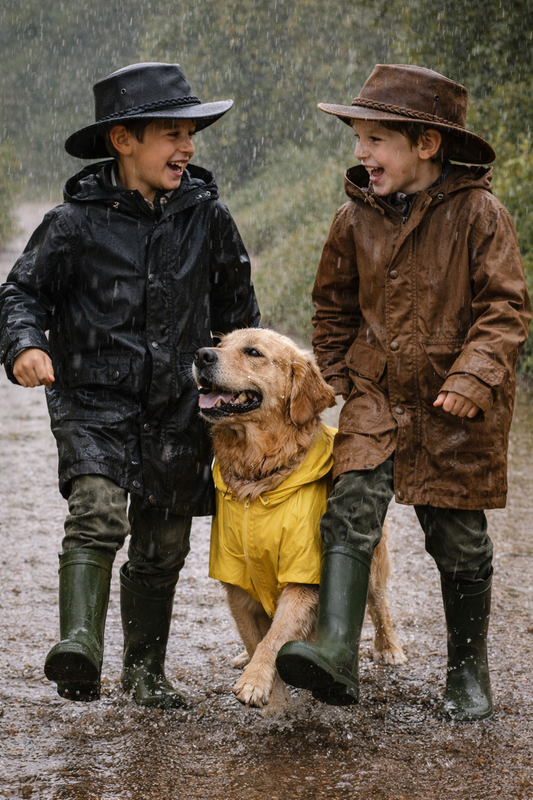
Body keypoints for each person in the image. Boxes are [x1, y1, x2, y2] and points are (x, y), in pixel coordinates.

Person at [0, 62, 260, 707]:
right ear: (123, 140)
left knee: (164, 541)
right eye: (172, 132)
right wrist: (24, 345)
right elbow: (21, 294)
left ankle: (145, 672)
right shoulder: (73, 223)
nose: (188, 146)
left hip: (181, 405)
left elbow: (238, 320)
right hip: (92, 399)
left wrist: (247, 396)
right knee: (95, 513)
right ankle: (79, 646)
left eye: (192, 133)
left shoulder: (209, 219)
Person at [276, 64, 531, 721]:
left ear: (426, 144)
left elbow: (504, 309)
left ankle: (467, 671)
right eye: (357, 139)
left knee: (459, 539)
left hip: (454, 406)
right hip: (375, 395)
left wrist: (473, 376)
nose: (360, 153)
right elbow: (330, 308)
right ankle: (335, 648)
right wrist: (335, 376)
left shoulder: (480, 214)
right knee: (349, 509)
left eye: (375, 139)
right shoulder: (351, 221)